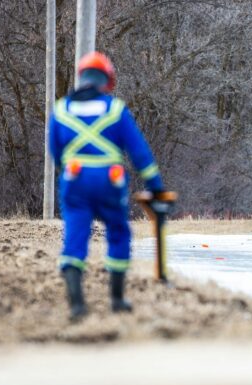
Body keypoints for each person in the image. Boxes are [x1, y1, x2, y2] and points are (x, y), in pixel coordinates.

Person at [49, 51, 165, 321]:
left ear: (81, 78)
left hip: (74, 181)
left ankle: (77, 304)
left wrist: (70, 170)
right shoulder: (115, 110)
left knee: (76, 235)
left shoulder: (61, 110)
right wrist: (155, 187)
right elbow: (140, 154)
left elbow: (56, 152)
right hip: (109, 183)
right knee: (118, 233)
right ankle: (117, 299)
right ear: (106, 81)